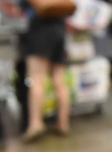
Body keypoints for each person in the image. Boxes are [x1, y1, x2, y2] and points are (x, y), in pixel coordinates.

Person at [21, 2, 70, 142]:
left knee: (37, 80)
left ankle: (36, 123)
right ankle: (63, 123)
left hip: (41, 30)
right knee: (59, 80)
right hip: (60, 29)